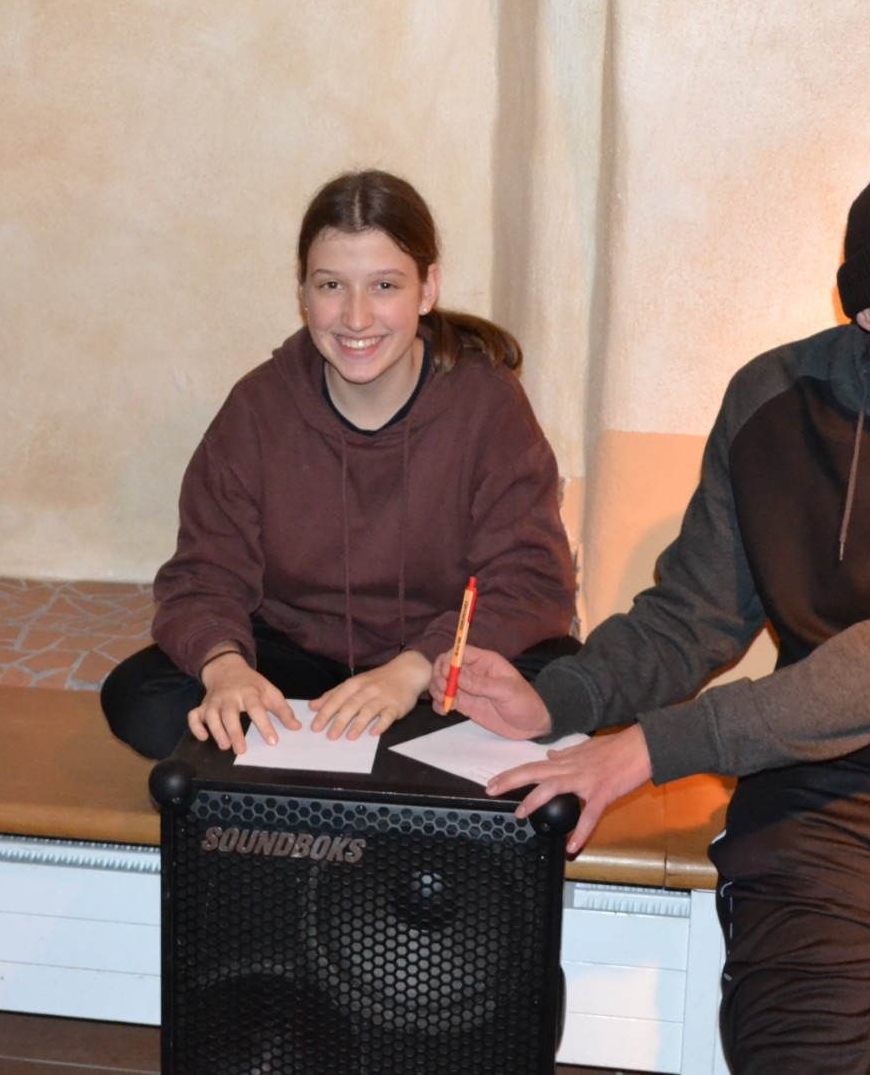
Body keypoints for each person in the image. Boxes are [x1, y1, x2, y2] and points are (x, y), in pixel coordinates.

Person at [440, 156, 870, 1072]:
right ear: (863, 309)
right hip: (820, 805)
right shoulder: (773, 403)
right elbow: (691, 618)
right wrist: (558, 697)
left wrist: (656, 745)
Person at [100, 170, 580, 760]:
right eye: (332, 285)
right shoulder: (257, 407)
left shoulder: (488, 404)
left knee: (568, 684)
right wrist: (226, 668)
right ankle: (385, 755)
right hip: (297, 661)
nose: (355, 318)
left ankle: (317, 752)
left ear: (427, 289)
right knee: (141, 698)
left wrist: (411, 671)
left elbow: (532, 581)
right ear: (303, 294)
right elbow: (203, 576)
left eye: (384, 286)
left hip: (438, 666)